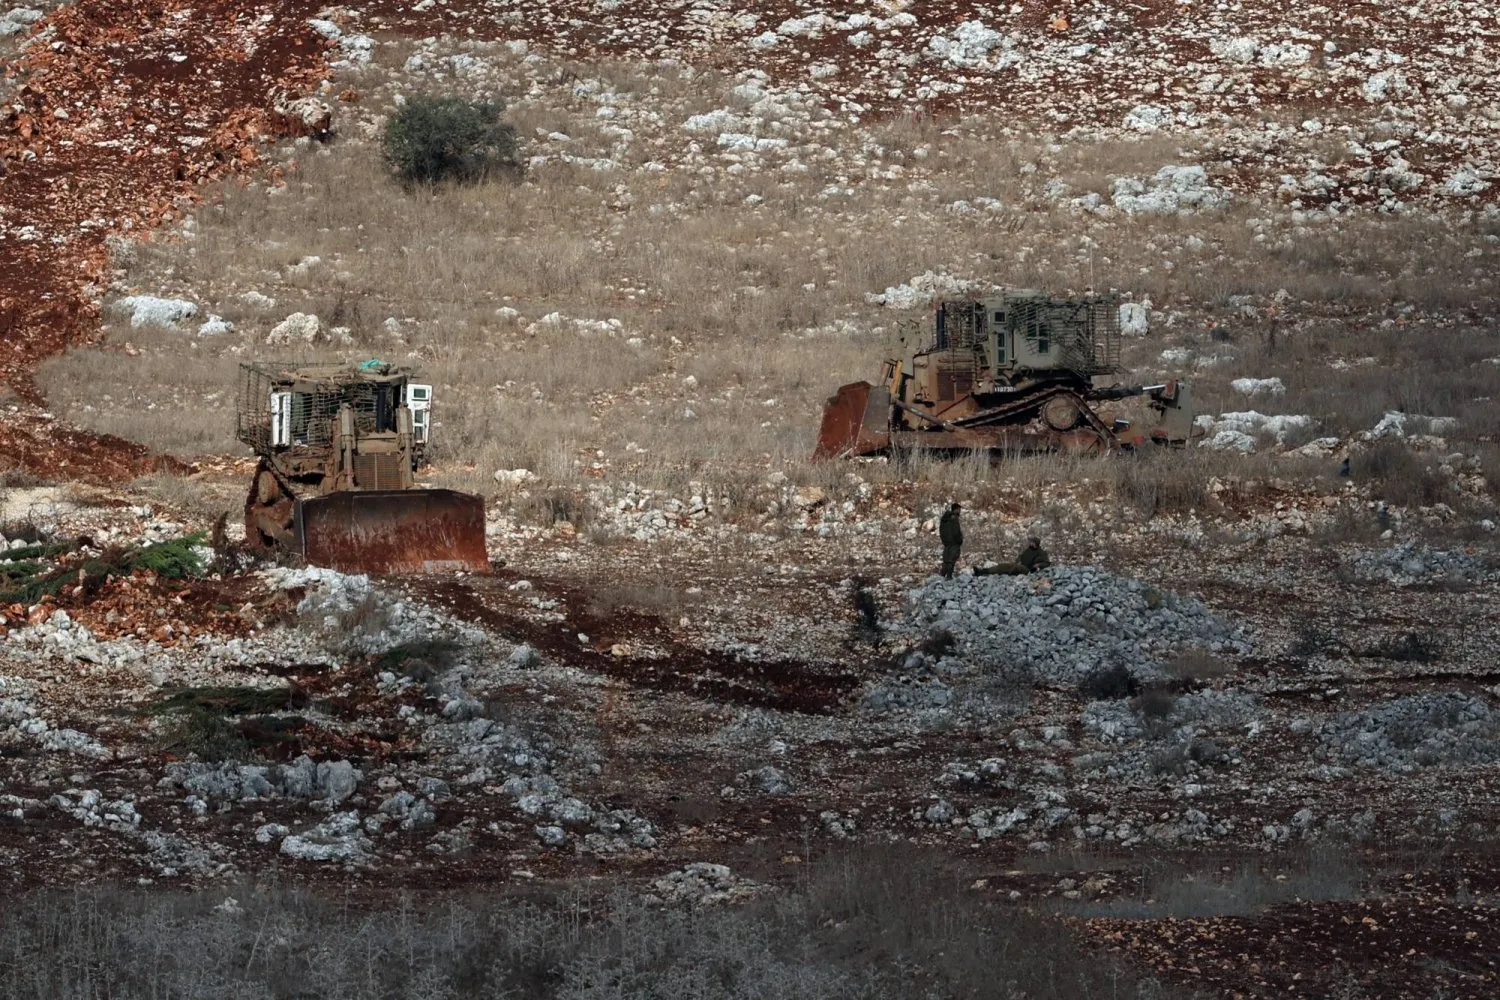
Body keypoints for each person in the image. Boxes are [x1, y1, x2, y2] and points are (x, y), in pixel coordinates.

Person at [974, 536, 1052, 576]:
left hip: (1028, 570)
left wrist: (1038, 565)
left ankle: (982, 572)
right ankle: (983, 571)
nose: (1030, 543)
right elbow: (1021, 557)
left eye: (1031, 542)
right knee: (1004, 566)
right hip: (1021, 566)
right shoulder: (1028, 550)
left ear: (1035, 543)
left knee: (1006, 567)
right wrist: (1016, 562)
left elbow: (1047, 563)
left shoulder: (1041, 552)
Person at [939, 502, 963, 578]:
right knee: (952, 559)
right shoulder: (954, 519)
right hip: (954, 542)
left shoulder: (945, 519)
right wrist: (960, 540)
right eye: (959, 510)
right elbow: (956, 531)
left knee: (946, 559)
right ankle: (949, 576)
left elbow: (941, 530)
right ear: (956, 509)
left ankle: (942, 575)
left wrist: (944, 540)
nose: (960, 512)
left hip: (946, 543)